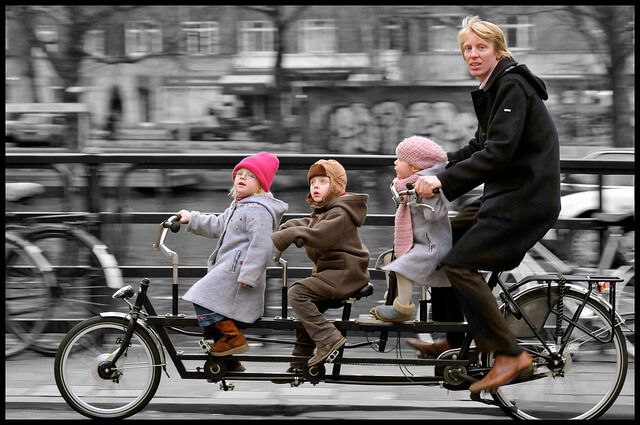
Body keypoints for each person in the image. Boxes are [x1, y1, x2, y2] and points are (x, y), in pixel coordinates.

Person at [411, 15, 561, 393]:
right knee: (442, 239)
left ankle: (510, 355)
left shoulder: (511, 86)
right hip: (505, 194)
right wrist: (433, 168)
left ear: (498, 50)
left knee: (461, 264)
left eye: (481, 47)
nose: (473, 54)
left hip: (524, 200)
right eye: (467, 48)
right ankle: (454, 337)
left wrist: (442, 181)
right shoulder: (495, 88)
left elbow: (497, 154)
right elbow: (479, 146)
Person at [178, 152, 288, 372]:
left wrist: (250, 275)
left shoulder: (258, 210)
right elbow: (219, 224)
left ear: (261, 185)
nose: (242, 178)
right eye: (239, 173)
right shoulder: (240, 206)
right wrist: (193, 218)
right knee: (208, 309)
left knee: (201, 295)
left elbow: (262, 245)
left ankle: (233, 338)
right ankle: (230, 362)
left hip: (238, 274)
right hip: (228, 271)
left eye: (250, 175)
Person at [271, 159, 370, 368]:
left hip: (345, 273)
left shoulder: (340, 213)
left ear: (335, 185)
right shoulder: (328, 210)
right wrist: (288, 226)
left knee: (298, 292)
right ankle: (301, 361)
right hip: (338, 272)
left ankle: (328, 338)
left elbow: (321, 235)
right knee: (309, 307)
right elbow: (311, 223)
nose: (315, 186)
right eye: (312, 182)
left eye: (323, 182)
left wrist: (289, 234)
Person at [369, 136, 452, 322]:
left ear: (414, 167)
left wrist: (425, 198)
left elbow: (435, 215)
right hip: (421, 242)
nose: (395, 162)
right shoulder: (406, 187)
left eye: (399, 160)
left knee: (402, 266)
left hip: (432, 244)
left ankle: (403, 307)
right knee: (389, 259)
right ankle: (393, 295)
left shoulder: (425, 188)